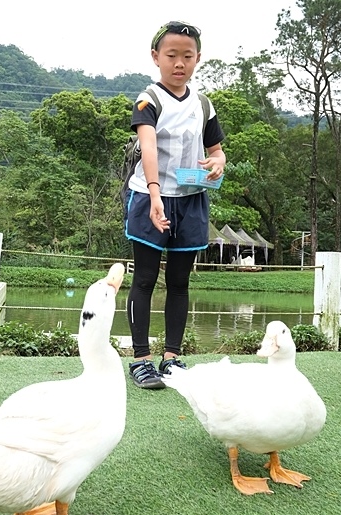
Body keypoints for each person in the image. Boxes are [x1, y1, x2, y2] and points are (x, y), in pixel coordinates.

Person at [123, 21, 226, 389]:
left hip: (191, 199)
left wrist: (218, 163)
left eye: (187, 56)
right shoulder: (148, 99)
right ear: (156, 58)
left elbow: (216, 151)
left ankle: (172, 358)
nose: (179, 63)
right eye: (171, 55)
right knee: (146, 278)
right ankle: (140, 359)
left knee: (180, 283)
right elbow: (148, 146)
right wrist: (153, 194)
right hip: (151, 197)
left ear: (198, 59)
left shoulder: (203, 104)